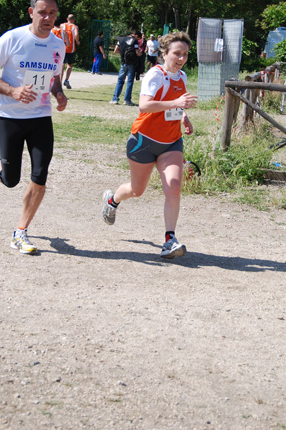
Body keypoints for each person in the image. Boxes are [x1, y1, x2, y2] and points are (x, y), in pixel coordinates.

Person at [0, 0, 68, 255]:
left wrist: (59, 94)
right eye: (42, 12)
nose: (48, 17)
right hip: (10, 117)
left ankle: (20, 232)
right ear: (31, 12)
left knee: (40, 176)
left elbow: (54, 78)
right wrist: (12, 91)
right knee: (11, 179)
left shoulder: (58, 45)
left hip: (41, 117)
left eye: (52, 13)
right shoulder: (13, 38)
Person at [102, 31, 197, 259]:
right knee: (137, 190)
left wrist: (183, 116)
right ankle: (112, 199)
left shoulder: (181, 77)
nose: (181, 58)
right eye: (177, 53)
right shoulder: (155, 75)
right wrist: (176, 102)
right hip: (144, 141)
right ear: (164, 53)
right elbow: (144, 106)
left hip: (171, 141)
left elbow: (174, 107)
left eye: (185, 54)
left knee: (173, 186)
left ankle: (169, 240)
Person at [109, 29, 142, 106]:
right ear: (136, 35)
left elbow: (115, 51)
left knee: (120, 81)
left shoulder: (121, 39)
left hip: (123, 63)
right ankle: (127, 100)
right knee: (130, 82)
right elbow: (137, 52)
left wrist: (122, 54)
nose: (138, 40)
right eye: (139, 38)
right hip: (131, 64)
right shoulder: (134, 41)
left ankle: (115, 98)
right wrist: (141, 54)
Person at [61, 13, 79, 89]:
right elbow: (76, 34)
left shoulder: (62, 25)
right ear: (73, 20)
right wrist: (77, 41)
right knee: (69, 65)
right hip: (71, 48)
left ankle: (59, 80)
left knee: (62, 64)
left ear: (67, 19)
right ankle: (66, 80)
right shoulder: (75, 27)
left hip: (62, 47)